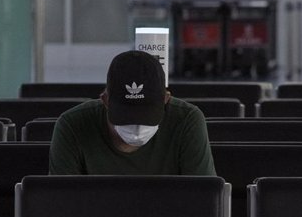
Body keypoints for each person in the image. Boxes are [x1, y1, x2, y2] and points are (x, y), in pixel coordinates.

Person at [49, 50, 216, 175]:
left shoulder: (186, 121)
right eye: (125, 117)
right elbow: (61, 208)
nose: (136, 129)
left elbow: (204, 202)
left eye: (146, 117)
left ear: (166, 100)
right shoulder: (72, 126)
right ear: (105, 101)